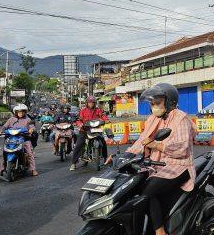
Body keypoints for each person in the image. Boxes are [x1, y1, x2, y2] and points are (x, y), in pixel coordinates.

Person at [124, 83, 195, 235]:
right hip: (156, 165)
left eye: (157, 103)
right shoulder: (153, 119)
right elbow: (142, 140)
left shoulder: (181, 119)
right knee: (131, 187)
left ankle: (160, 230)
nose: (154, 107)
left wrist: (158, 145)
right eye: (152, 104)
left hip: (179, 165)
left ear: (169, 102)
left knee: (147, 191)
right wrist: (126, 155)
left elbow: (182, 149)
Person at [70, 96, 109, 171]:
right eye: (89, 102)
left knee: (103, 142)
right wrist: (79, 123)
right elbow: (79, 119)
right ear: (87, 103)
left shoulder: (98, 110)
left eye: (92, 102)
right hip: (84, 130)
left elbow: (103, 116)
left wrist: (106, 120)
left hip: (96, 129)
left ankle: (105, 158)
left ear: (95, 103)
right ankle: (73, 163)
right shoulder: (83, 111)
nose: (91, 104)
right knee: (78, 145)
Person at [1, 104, 38, 176]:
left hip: (24, 138)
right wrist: (0, 131)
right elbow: (5, 126)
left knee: (29, 153)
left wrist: (31, 130)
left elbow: (32, 127)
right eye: (19, 112)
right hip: (11, 139)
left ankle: (33, 169)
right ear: (16, 112)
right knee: (5, 152)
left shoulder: (28, 119)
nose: (21, 113)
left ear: (25, 112)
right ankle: (2, 168)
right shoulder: (11, 119)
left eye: (22, 112)